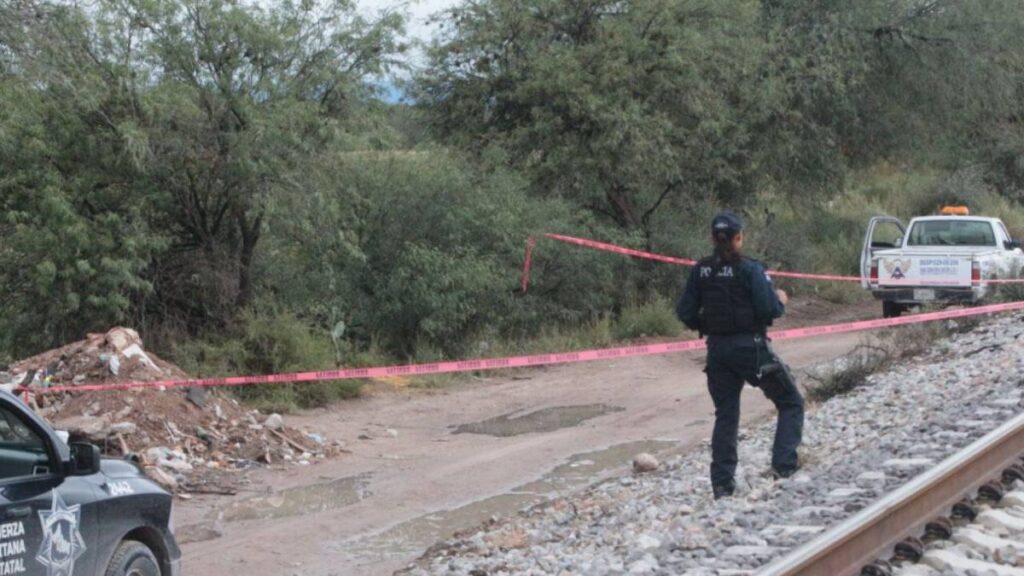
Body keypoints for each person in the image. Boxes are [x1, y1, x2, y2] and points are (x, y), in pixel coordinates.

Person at [676, 211, 804, 499]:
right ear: (739, 238)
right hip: (751, 349)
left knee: (727, 415)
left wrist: (706, 325)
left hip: (717, 352)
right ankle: (784, 467)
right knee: (790, 402)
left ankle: (722, 485)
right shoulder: (750, 269)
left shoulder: (701, 270)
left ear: (712, 238)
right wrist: (780, 299)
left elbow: (685, 313)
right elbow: (769, 309)